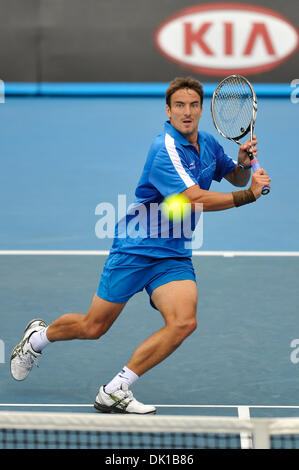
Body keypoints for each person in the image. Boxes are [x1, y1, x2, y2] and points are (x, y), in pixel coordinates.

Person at [10, 77, 271, 414]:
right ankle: (36, 340)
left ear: (202, 110)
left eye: (193, 105)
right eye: (179, 105)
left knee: (183, 322)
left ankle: (116, 389)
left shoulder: (206, 143)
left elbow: (233, 175)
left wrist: (244, 164)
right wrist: (248, 196)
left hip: (173, 253)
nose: (187, 112)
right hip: (135, 249)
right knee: (93, 327)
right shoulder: (164, 149)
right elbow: (193, 199)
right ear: (168, 110)